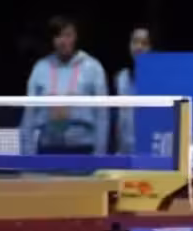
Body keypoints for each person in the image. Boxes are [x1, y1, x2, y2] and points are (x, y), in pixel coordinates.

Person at [20, 16, 110, 155]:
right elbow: (29, 116)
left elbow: (102, 116)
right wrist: (27, 157)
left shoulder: (93, 68)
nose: (63, 41)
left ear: (76, 37)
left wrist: (100, 156)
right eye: (58, 36)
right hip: (48, 148)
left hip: (83, 149)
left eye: (68, 35)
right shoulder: (40, 68)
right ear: (52, 39)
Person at [114, 26, 152, 155]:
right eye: (135, 42)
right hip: (125, 150)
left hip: (149, 150)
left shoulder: (158, 79)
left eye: (144, 43)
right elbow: (120, 118)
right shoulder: (121, 77)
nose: (138, 47)